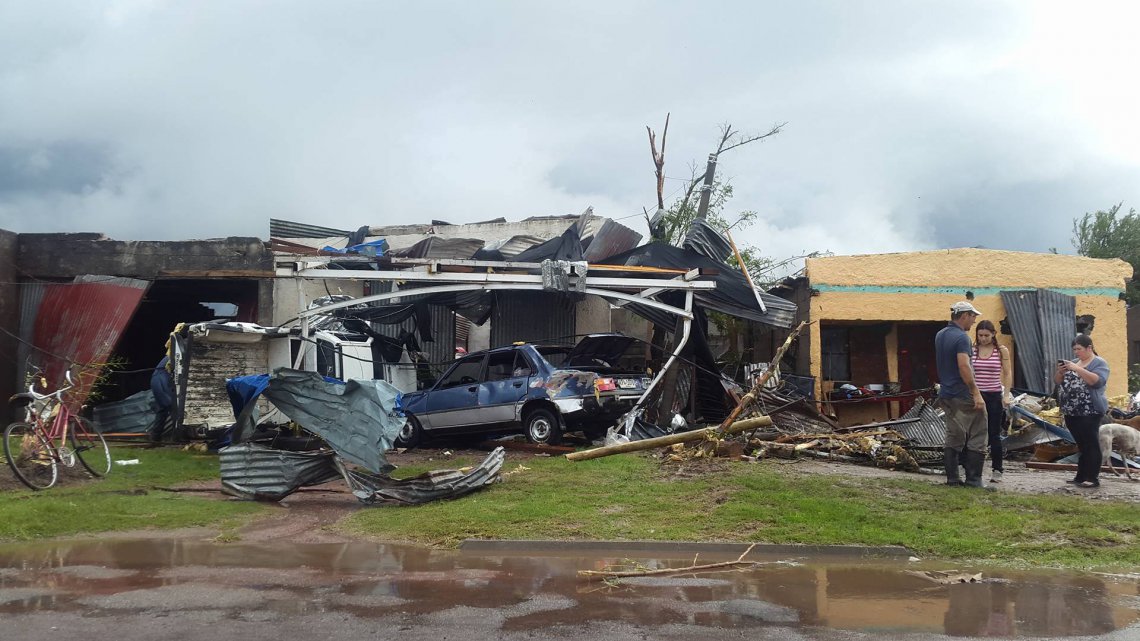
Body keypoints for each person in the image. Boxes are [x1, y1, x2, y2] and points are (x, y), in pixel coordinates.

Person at [935, 300, 989, 488]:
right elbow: (964, 366)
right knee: (978, 432)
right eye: (973, 316)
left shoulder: (940, 335)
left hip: (946, 393)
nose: (974, 321)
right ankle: (974, 480)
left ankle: (952, 478)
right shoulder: (962, 338)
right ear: (964, 315)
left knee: (954, 435)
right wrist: (976, 393)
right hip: (962, 393)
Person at [1053, 334, 1109, 488]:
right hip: (1072, 411)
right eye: (1074, 349)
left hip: (1089, 410)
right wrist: (1061, 372)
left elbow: (1096, 382)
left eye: (1079, 349)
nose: (1076, 352)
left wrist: (1077, 368)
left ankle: (1092, 478)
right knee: (1082, 444)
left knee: (1091, 443)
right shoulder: (1075, 363)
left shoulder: (1099, 363)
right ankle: (1081, 476)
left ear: (1089, 348)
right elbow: (1057, 382)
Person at [972, 320, 1012, 482]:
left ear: (994, 334)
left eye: (986, 335)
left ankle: (997, 470)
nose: (983, 339)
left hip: (994, 394)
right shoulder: (972, 350)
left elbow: (1008, 373)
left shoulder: (1001, 351)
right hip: (976, 394)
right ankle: (971, 468)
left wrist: (1006, 394)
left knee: (994, 434)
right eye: (980, 335)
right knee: (973, 432)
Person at [149, 355, 174, 443]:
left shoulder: (171, 354)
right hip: (161, 379)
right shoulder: (178, 352)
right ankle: (178, 436)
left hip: (158, 379)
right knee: (172, 406)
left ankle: (155, 436)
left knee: (163, 409)